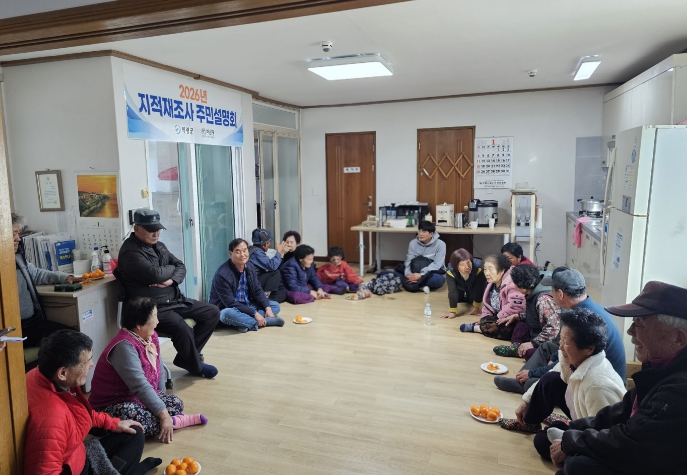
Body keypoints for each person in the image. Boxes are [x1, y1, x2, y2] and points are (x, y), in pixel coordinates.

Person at [549, 281, 687, 475]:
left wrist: (573, 441)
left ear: (678, 338)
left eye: (639, 323)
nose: (630, 331)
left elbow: (632, 442)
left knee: (579, 465)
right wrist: (573, 428)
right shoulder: (660, 366)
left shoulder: (680, 390)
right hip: (644, 453)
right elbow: (620, 412)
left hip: (653, 461)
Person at [24, 329, 162, 475]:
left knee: (133, 433)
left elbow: (79, 413)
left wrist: (113, 423)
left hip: (76, 455)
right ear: (63, 373)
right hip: (74, 468)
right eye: (86, 362)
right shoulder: (52, 419)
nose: (92, 364)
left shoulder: (40, 374)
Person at [501, 308, 625, 460]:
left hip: (599, 442)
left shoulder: (598, 387)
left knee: (542, 441)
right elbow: (551, 373)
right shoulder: (574, 360)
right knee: (551, 379)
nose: (560, 347)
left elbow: (604, 436)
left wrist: (567, 446)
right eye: (561, 340)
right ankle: (529, 422)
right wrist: (526, 402)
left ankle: (565, 426)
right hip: (583, 419)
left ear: (589, 349)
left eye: (566, 342)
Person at [114, 209, 220, 379]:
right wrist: (170, 269)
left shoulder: (159, 246)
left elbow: (181, 266)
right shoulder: (130, 252)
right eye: (151, 230)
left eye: (158, 229)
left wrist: (171, 281)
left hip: (173, 300)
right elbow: (155, 275)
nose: (156, 234)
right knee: (181, 327)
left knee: (212, 312)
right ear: (137, 229)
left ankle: (186, 358)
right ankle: (195, 365)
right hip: (150, 307)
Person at [89, 298, 207, 442]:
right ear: (139, 324)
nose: (157, 321)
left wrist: (161, 399)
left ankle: (167, 422)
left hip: (136, 398)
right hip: (111, 405)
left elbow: (159, 369)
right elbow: (140, 386)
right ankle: (176, 421)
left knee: (175, 402)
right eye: (154, 317)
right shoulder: (124, 346)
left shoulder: (151, 336)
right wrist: (163, 415)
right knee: (136, 416)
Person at [494, 267, 626, 394]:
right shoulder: (587, 307)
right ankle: (522, 381)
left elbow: (569, 361)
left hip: (599, 383)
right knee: (546, 348)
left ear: (561, 294)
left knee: (536, 384)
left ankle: (527, 383)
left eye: (552, 290)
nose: (550, 293)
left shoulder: (582, 322)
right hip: (585, 364)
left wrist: (534, 373)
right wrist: (551, 361)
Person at [12, 212, 84, 347]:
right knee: (71, 343)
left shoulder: (17, 257)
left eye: (18, 234)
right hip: (14, 329)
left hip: (32, 324)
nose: (18, 239)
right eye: (13, 234)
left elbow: (36, 274)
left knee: (76, 338)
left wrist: (65, 277)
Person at [210, 238, 284, 332]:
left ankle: (245, 323)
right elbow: (230, 303)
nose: (242, 254)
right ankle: (265, 321)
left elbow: (257, 290)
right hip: (229, 307)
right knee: (225, 314)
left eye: (245, 250)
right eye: (238, 252)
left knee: (275, 306)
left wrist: (267, 308)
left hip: (247, 305)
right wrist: (255, 314)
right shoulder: (223, 274)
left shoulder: (249, 267)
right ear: (230, 254)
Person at [492, 265, 561, 358]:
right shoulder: (536, 288)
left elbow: (552, 329)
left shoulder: (543, 299)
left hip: (553, 341)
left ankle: (521, 349)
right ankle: (518, 346)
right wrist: (518, 316)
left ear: (523, 287)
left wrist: (533, 343)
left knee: (529, 354)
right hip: (538, 332)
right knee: (520, 322)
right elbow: (538, 315)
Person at [460, 254, 525, 340]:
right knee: (485, 322)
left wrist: (497, 318)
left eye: (490, 269)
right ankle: (483, 327)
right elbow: (487, 305)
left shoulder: (511, 283)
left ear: (501, 271)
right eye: (485, 269)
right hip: (499, 315)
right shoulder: (491, 283)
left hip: (514, 318)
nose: (487, 273)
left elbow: (516, 307)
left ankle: (478, 329)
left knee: (505, 327)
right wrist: (484, 319)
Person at [400, 220, 446, 294]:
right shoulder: (413, 243)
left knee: (436, 280)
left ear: (431, 234)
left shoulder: (441, 244)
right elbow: (409, 261)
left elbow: (437, 264)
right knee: (397, 272)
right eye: (419, 231)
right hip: (415, 271)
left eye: (424, 231)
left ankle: (413, 285)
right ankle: (421, 286)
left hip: (432, 272)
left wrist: (421, 275)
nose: (420, 234)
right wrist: (409, 274)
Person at [441, 249, 486, 318]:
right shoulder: (450, 271)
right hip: (459, 286)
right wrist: (452, 312)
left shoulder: (479, 268)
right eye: (462, 265)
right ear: (456, 266)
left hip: (473, 286)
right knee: (456, 299)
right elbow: (452, 291)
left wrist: (477, 308)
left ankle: (469, 295)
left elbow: (479, 288)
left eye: (468, 262)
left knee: (472, 300)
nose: (467, 267)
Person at [248, 228, 287, 303]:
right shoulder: (257, 253)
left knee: (282, 294)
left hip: (254, 283)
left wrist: (281, 255)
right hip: (253, 285)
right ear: (265, 244)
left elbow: (268, 265)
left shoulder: (251, 249)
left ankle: (265, 297)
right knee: (275, 273)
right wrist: (279, 252)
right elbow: (272, 266)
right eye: (269, 242)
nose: (269, 244)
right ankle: (263, 298)